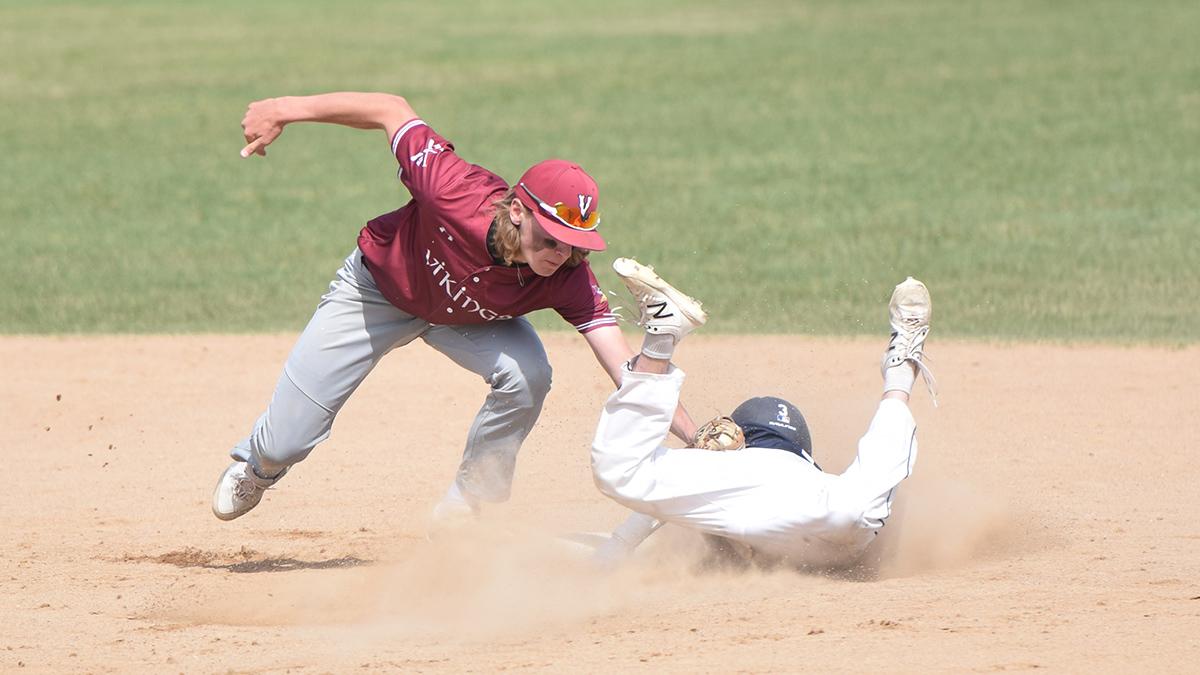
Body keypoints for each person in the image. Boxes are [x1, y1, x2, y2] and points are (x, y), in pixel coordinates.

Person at [210, 93, 697, 523]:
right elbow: (389, 108)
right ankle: (258, 468)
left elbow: (626, 370)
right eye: (552, 239)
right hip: (377, 290)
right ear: (517, 211)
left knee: (529, 374)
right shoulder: (451, 189)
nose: (561, 254)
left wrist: (695, 438)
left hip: (465, 320)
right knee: (284, 444)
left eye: (575, 245)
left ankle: (469, 502)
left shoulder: (566, 275)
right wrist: (284, 109)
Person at [588, 258, 936, 569]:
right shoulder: (811, 479)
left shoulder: (727, 471)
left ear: (737, 439)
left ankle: (660, 338)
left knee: (623, 471)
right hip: (836, 516)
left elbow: (649, 511)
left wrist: (615, 549)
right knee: (858, 507)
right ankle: (900, 370)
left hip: (774, 519)